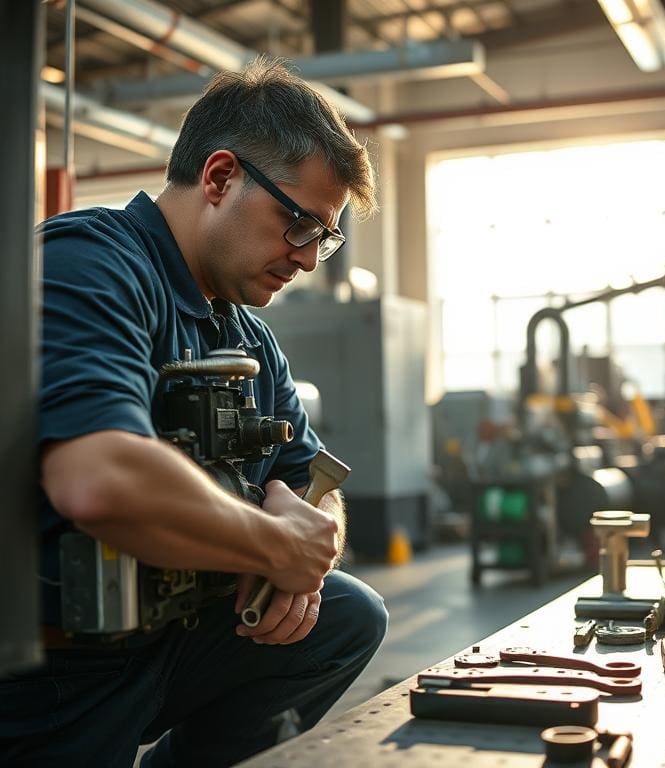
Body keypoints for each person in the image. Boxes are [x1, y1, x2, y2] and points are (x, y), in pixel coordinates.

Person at [0, 57, 388, 766]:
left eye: (322, 238)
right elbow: (98, 478)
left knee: (345, 616)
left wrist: (306, 550)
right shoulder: (87, 265)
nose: (307, 259)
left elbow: (313, 489)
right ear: (219, 178)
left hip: (166, 636)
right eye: (299, 224)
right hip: (54, 671)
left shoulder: (247, 337)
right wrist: (273, 547)